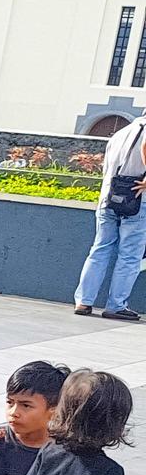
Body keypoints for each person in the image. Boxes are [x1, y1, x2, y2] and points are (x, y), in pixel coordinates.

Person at [72, 114, 146, 321]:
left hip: (108, 197)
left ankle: (83, 301)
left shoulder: (121, 133)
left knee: (100, 249)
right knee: (130, 255)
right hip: (137, 199)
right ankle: (116, 305)